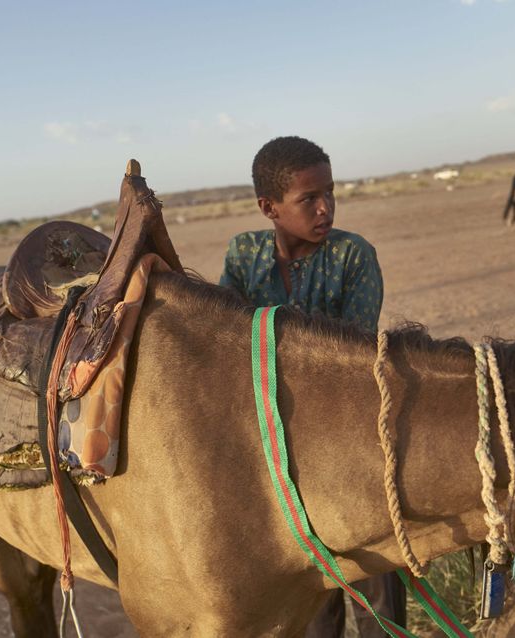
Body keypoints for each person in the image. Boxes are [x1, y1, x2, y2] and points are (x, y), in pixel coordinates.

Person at [219, 135, 403, 637]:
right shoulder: (243, 255)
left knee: (373, 582)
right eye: (308, 199)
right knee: (311, 589)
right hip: (274, 454)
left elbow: (353, 361)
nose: (326, 208)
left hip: (346, 445)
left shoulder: (352, 256)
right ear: (269, 208)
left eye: (330, 193)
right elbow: (226, 346)